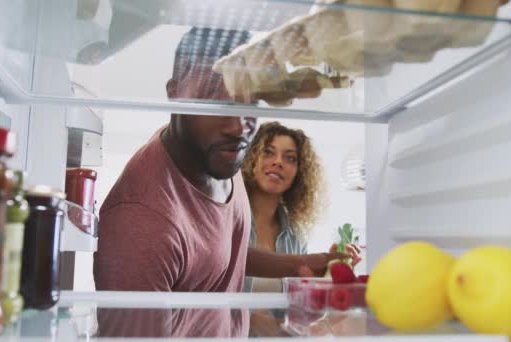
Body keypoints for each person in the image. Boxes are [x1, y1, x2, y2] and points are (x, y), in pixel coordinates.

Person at [93, 27, 349, 301]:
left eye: (251, 102)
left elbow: (223, 254)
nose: (239, 127)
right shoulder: (142, 223)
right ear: (175, 93)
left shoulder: (218, 156)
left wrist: (306, 262)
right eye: (215, 100)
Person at [241, 121, 325, 292]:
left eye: (290, 158)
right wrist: (260, 320)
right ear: (251, 159)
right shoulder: (227, 220)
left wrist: (330, 272)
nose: (278, 162)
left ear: (298, 172)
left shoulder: (296, 236)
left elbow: (301, 306)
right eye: (268, 152)